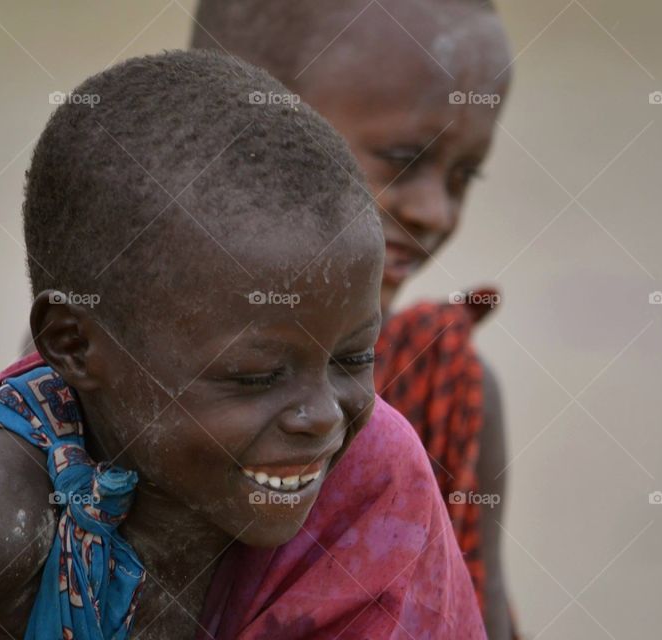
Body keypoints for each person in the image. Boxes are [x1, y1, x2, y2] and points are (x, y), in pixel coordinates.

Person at [0, 50, 484, 639]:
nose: (324, 416)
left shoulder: (371, 486)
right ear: (73, 346)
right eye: (255, 375)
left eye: (352, 358)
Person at [191, 1, 516, 636]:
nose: (437, 213)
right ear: (242, 128)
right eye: (402, 158)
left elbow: (480, 615)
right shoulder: (106, 367)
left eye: (464, 177)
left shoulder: (445, 386)